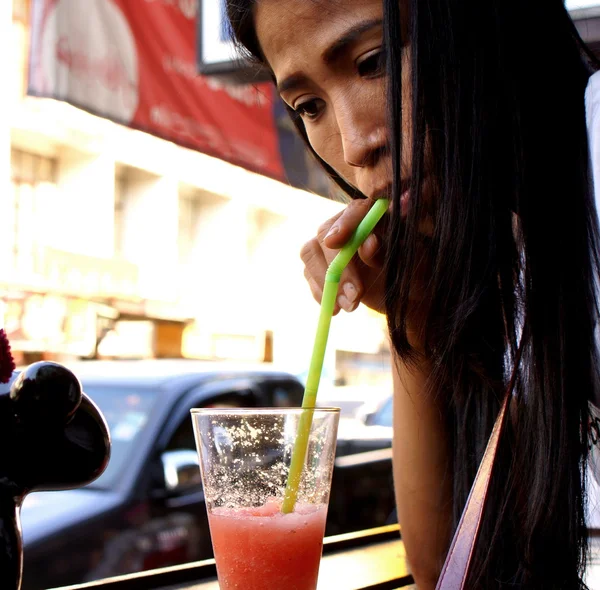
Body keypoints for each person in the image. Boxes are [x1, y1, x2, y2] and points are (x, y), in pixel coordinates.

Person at [226, 1, 600, 588]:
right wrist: (413, 315)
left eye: (372, 61)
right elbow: (443, 569)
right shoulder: (525, 255)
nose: (353, 146)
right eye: (310, 106)